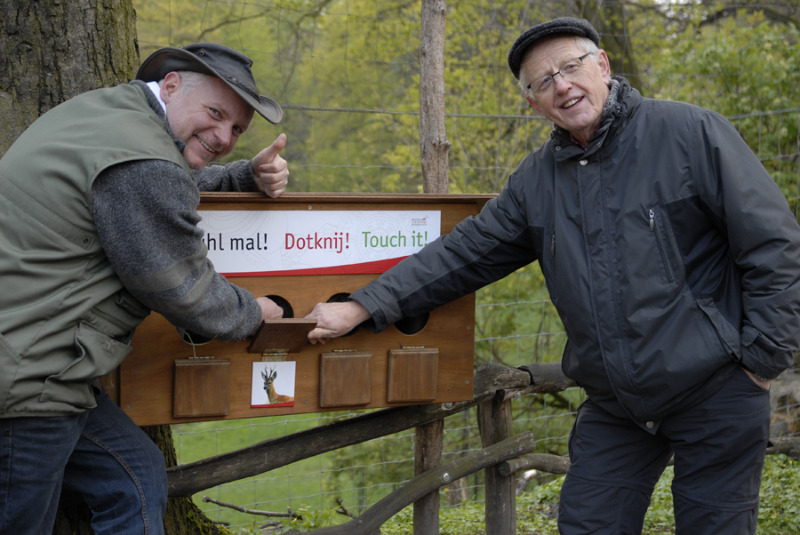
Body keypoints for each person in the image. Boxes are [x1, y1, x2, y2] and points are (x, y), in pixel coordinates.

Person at [306, 17, 800, 534]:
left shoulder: (688, 133)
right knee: (587, 524)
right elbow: (462, 255)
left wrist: (763, 358)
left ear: (602, 65)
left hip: (715, 389)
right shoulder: (535, 182)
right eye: (544, 82)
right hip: (618, 407)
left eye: (571, 67)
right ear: (533, 103)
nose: (562, 85)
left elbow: (773, 243)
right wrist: (363, 305)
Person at [0, 43, 290, 534]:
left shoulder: (106, 112)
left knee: (133, 476)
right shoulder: (143, 164)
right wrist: (259, 311)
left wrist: (242, 176)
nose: (223, 136)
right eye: (215, 114)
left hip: (42, 363)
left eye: (237, 129)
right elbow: (185, 293)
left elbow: (146, 189)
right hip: (30, 382)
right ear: (172, 86)